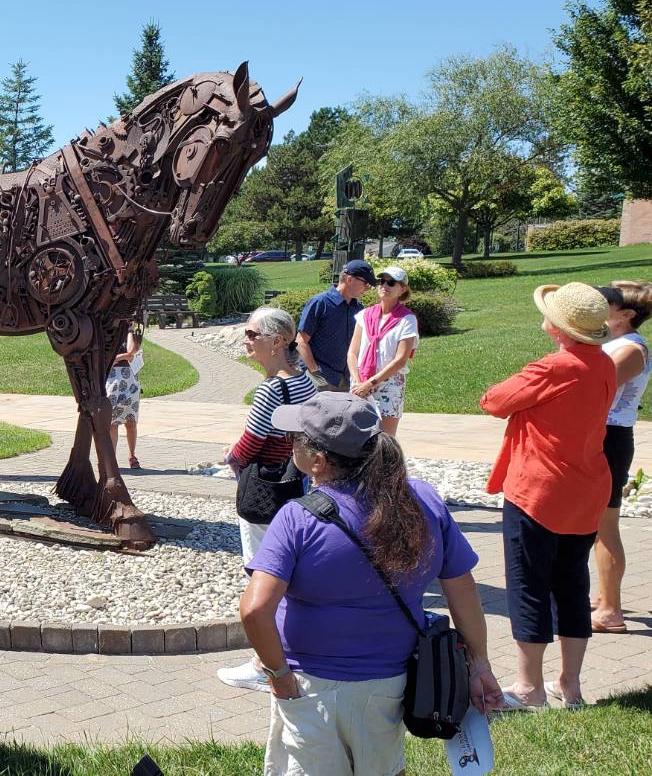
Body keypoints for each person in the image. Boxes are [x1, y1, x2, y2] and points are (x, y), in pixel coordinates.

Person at [240, 393, 502, 775]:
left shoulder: (296, 519)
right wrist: (479, 665)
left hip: (310, 684)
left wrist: (278, 677)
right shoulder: (424, 501)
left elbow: (253, 610)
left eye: (296, 438)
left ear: (318, 460)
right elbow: (462, 589)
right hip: (389, 682)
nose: (290, 444)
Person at [480, 282, 617, 709]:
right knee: (573, 583)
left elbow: (494, 401)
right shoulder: (604, 364)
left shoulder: (554, 367)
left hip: (538, 489)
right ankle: (570, 685)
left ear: (560, 327)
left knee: (529, 586)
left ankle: (528, 687)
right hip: (586, 487)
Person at [215, 307, 316, 692]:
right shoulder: (303, 380)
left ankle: (266, 664)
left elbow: (251, 443)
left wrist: (230, 457)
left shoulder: (272, 389)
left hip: (264, 491)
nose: (246, 340)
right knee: (289, 574)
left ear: (276, 342)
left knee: (263, 577)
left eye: (252, 334)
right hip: (295, 486)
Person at [592, 281, 652, 634]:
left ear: (627, 315)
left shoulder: (630, 349)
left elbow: (593, 390)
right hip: (598, 437)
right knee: (595, 527)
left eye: (607, 303)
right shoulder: (615, 343)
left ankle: (612, 611)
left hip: (610, 439)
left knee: (606, 528)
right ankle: (603, 597)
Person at [347, 265, 419, 435]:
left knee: (385, 439)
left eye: (391, 283)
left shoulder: (407, 320)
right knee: (358, 436)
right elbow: (352, 352)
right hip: (360, 382)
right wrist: (358, 381)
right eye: (382, 281)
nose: (384, 286)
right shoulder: (364, 315)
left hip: (389, 384)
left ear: (402, 289)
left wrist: (371, 383)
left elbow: (401, 359)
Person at [297, 260, 374, 392]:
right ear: (350, 279)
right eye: (365, 283)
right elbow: (301, 341)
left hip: (347, 379)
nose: (367, 289)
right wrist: (315, 372)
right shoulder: (320, 303)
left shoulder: (359, 308)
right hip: (321, 379)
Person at [106, 325, 144, 468]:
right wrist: (119, 358)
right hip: (112, 381)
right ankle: (112, 458)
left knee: (131, 422)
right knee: (112, 422)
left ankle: (132, 455)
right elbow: (104, 357)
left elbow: (132, 352)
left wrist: (116, 357)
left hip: (129, 382)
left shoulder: (129, 333)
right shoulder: (107, 334)